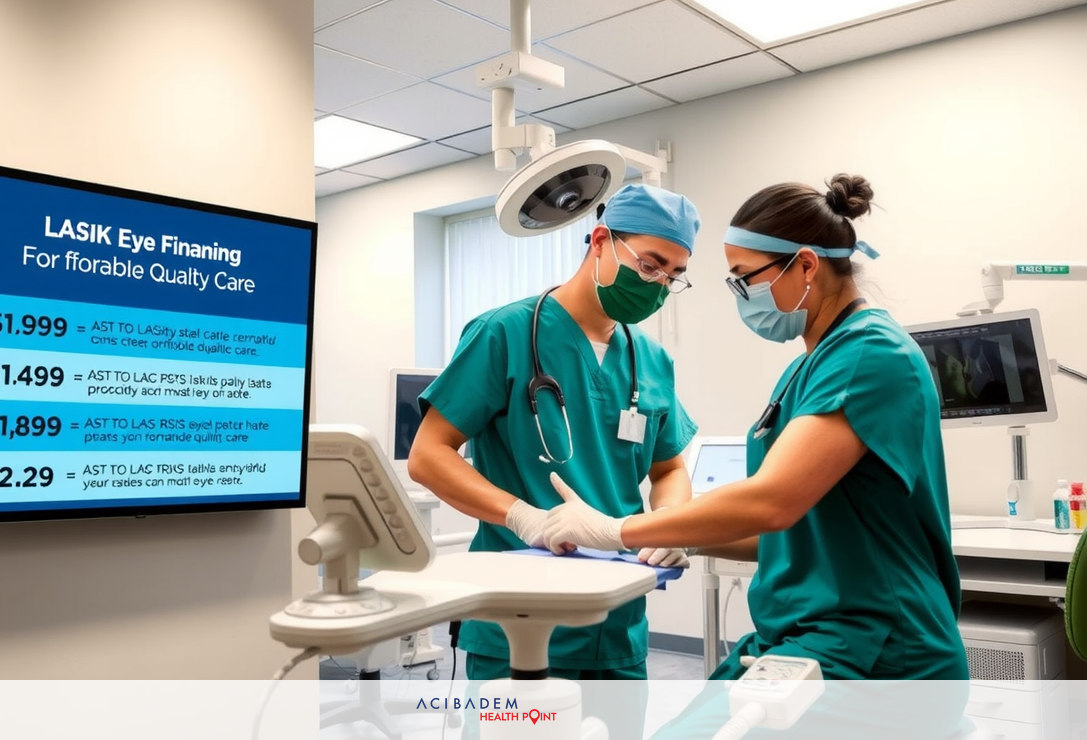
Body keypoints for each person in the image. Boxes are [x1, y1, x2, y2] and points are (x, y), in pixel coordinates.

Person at [542, 173, 969, 680]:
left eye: (745, 276)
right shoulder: (809, 367)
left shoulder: (869, 354)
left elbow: (772, 502)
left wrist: (617, 531)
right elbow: (798, 532)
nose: (740, 293)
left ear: (805, 264)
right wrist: (692, 539)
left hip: (876, 647)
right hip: (810, 634)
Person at [408, 183, 702, 682]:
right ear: (601, 240)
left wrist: (668, 524)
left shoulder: (653, 360)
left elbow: (669, 466)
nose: (657, 286)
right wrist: (523, 517)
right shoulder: (504, 332)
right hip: (517, 620)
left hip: (618, 623)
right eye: (650, 265)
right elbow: (429, 455)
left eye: (673, 276)